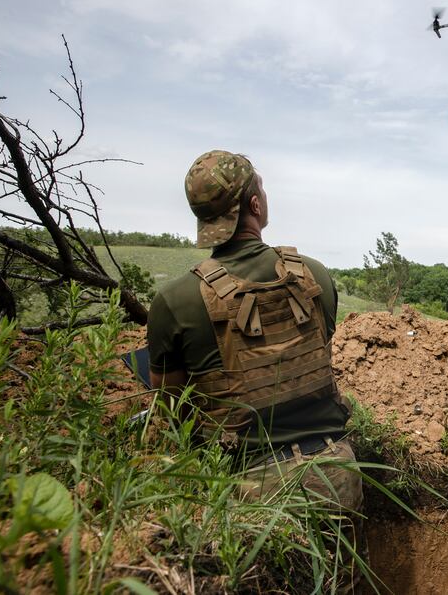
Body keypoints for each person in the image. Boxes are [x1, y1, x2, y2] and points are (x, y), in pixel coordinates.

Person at [147, 150, 365, 589]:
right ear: (254, 205)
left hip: (251, 496)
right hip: (336, 474)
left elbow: (172, 410)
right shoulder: (315, 276)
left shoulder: (175, 300)